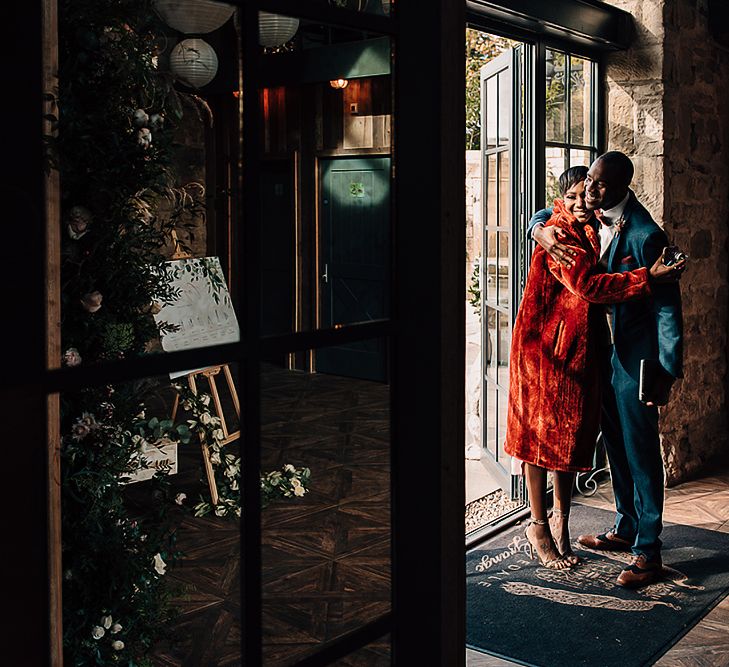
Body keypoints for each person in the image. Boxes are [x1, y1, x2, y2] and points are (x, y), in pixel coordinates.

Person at [529, 152, 684, 586]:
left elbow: (668, 308)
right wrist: (536, 228)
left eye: (598, 186)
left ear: (621, 188)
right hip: (601, 356)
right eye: (589, 182)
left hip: (637, 361)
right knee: (614, 446)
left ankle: (648, 551)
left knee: (641, 453)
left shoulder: (646, 234)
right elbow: (549, 208)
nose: (591, 192)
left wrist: (667, 370)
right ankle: (625, 526)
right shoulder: (592, 214)